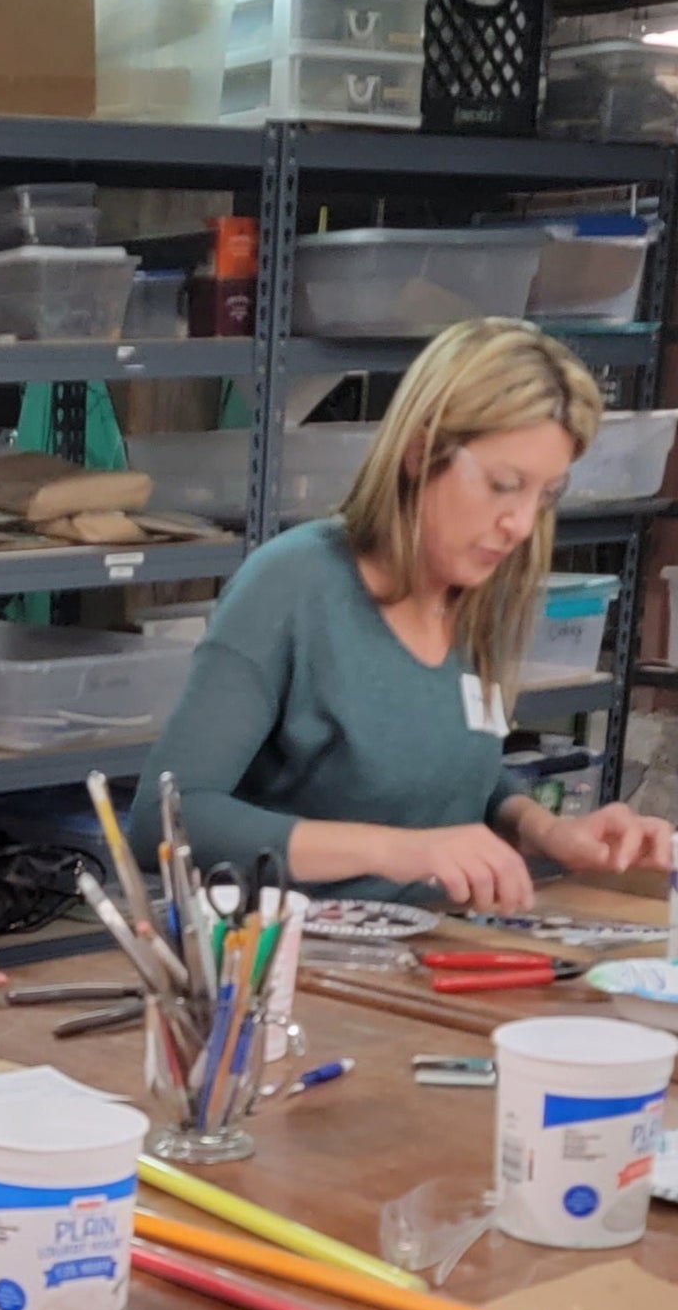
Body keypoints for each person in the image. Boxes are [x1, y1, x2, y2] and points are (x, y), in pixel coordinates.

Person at [131, 318, 672, 907]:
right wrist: (402, 849)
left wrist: (547, 831)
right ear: (420, 453)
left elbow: (455, 764)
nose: (520, 524)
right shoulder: (292, 586)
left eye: (544, 496)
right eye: (502, 484)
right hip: (293, 965)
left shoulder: (477, 587)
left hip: (436, 946)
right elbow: (166, 821)